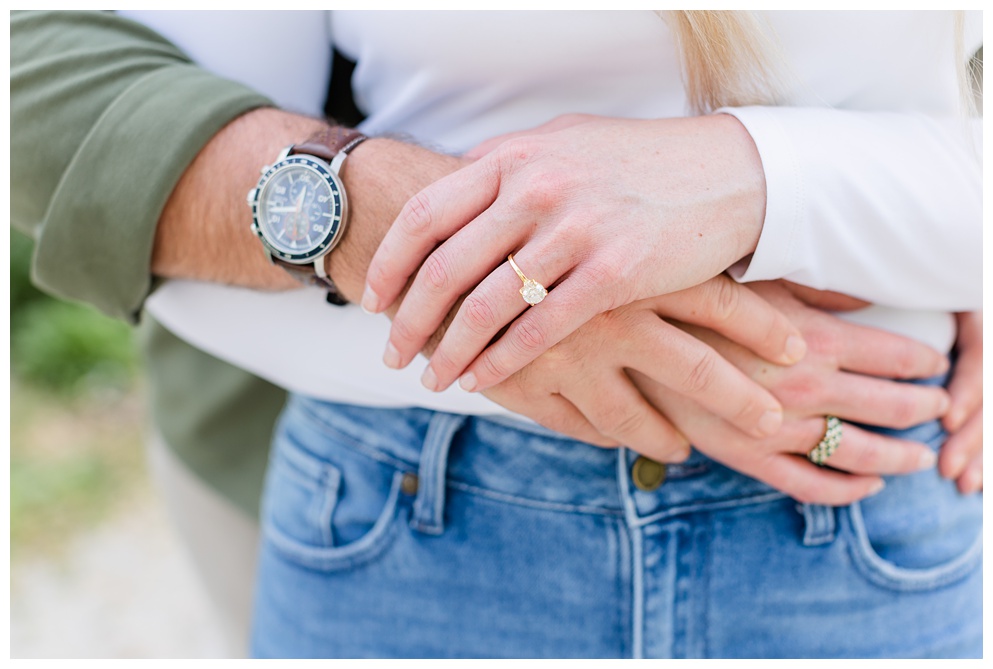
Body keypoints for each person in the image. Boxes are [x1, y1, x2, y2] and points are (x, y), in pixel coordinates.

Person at [9, 10, 981, 658]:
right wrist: (502, 296)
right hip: (415, 504)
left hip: (868, 482)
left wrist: (759, 177)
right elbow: (107, 91)